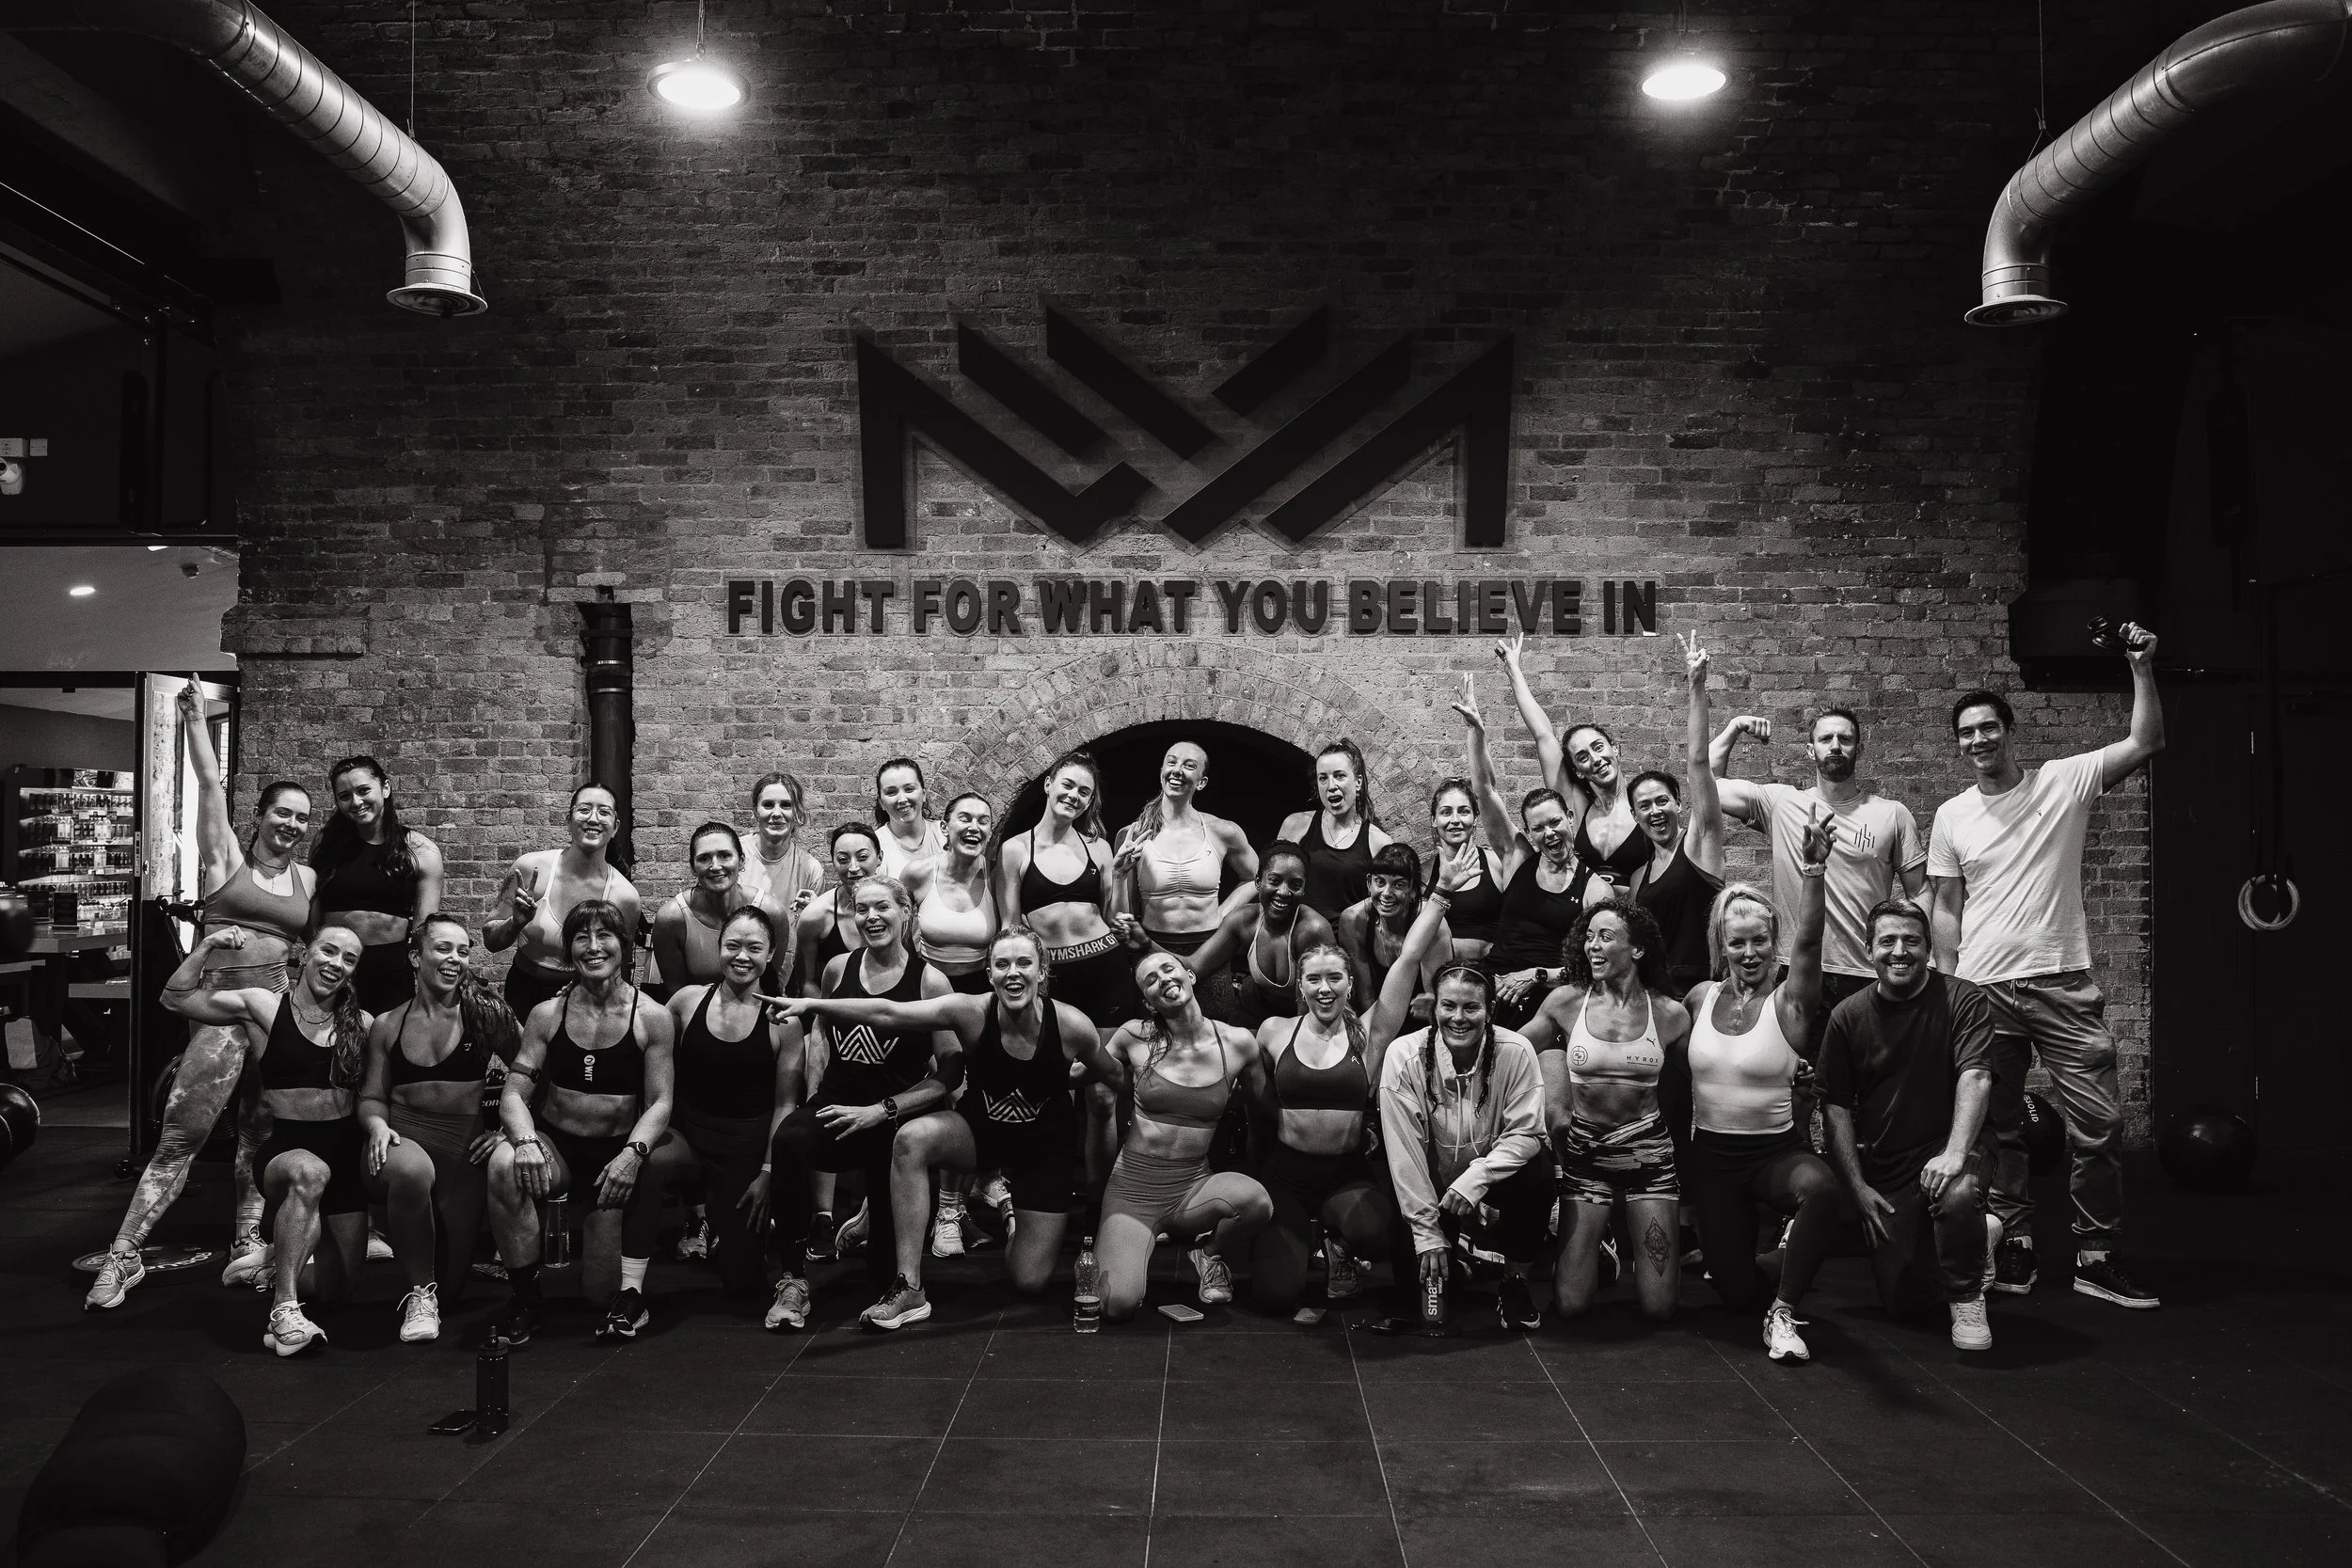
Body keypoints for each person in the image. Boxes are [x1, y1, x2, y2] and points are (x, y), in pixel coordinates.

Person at [1929, 626, 2165, 1310]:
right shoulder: (1952, 815)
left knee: (2101, 1124)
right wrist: (1951, 985)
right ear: (1959, 743)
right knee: (2000, 1129)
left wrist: (2140, 668)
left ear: (2008, 731)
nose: (1979, 741)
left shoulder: (2065, 781)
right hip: (1983, 989)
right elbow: (1946, 907)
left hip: (2062, 980)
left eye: (1988, 728)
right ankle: (2019, 1242)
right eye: (1967, 733)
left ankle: (2096, 1254)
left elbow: (2145, 742)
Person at [86, 683, 313, 1310]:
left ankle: (247, 1237)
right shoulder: (226, 863)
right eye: (282, 813)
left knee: (259, 1134)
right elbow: (210, 788)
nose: (291, 824)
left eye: (301, 817)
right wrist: (190, 722)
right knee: (181, 1138)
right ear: (260, 815)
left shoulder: (308, 877)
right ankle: (123, 1254)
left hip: (275, 1011)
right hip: (219, 1013)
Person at [773, 924, 1103, 1328]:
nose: (1012, 972)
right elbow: (888, 1011)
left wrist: (1068, 1077)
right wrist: (813, 1007)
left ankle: (1016, 1215)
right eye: (1002, 964)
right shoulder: (968, 1009)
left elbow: (1110, 1072)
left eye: (1024, 963)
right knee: (912, 1138)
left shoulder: (1071, 1024)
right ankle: (909, 1287)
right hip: (982, 1135)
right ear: (989, 973)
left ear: (1042, 971)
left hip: (1043, 1148)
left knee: (1030, 1281)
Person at [1248, 848, 1473, 1319]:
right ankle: (1282, 1243)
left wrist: (1443, 892)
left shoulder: (1368, 1034)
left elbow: (1410, 957)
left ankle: (1338, 1243)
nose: (1324, 989)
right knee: (1276, 1296)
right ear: (1301, 985)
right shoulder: (1273, 1031)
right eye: (1314, 979)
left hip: (1344, 1172)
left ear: (1350, 984)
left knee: (1379, 1232)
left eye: (1335, 978)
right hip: (1286, 1174)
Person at [1665, 828, 1843, 1365]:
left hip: (1774, 1153)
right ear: (1722, 944)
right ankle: (1785, 1257)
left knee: (1820, 1189)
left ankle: (1784, 1310)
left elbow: (1810, 943)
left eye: (1760, 941)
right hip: (1713, 1159)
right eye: (1737, 941)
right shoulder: (1699, 998)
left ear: (1773, 942)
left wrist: (1814, 872)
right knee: (1736, 1293)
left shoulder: (1790, 1002)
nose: (1749, 952)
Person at [157, 923, 371, 1356]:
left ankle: (268, 1268)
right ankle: (284, 1310)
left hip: (344, 1158)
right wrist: (207, 947)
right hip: (287, 1152)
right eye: (328, 952)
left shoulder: (361, 1024)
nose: (336, 965)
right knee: (310, 1172)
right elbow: (175, 997)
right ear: (305, 952)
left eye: (348, 959)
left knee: (338, 1292)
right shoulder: (264, 1007)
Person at [761, 876, 958, 1331]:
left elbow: (951, 1071)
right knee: (790, 1137)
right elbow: (824, 1034)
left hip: (891, 1122)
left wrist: (885, 1109)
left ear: (905, 913)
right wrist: (813, 1098)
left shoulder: (930, 981)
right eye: (861, 909)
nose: (871, 917)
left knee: (883, 1273)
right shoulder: (838, 969)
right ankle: (792, 1280)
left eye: (882, 908)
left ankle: (868, 1222)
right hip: (838, 1108)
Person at [485, 899, 678, 1345]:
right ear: (569, 949)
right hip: (558, 1148)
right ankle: (526, 1299)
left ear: (625, 947)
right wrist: (526, 1140)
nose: (593, 947)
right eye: (581, 937)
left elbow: (661, 1102)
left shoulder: (651, 1016)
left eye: (604, 935)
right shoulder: (546, 1014)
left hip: (612, 1159)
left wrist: (633, 1155)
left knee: (599, 1294)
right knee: (503, 1162)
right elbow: (514, 1093)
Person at [1820, 899, 2000, 1351]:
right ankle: (1981, 1237)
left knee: (1957, 1194)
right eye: (1888, 941)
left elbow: (1976, 1075)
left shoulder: (1963, 998)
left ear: (1928, 948)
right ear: (1868, 950)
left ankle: (1967, 1295)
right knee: (1904, 1304)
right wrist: (1858, 1188)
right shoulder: (1848, 1016)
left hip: (1954, 1146)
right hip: (1891, 1166)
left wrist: (1956, 1152)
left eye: (1912, 941)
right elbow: (1835, 1107)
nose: (1900, 951)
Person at [1523, 900, 1693, 1326]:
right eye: (1588, 936)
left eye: (1605, 937)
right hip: (1585, 1155)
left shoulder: (1670, 1015)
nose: (1592, 947)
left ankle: (1623, 1232)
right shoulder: (1565, 1003)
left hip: (1649, 1156)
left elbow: (1707, 1075)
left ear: (1637, 950)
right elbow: (1511, 1050)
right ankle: (1601, 1246)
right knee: (1572, 1306)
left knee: (1659, 1309)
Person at [1089, 948, 1273, 1321]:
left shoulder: (1238, 1043)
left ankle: (1208, 1253)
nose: (1163, 980)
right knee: (1116, 1304)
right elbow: (1089, 1075)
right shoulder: (1133, 1036)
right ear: (1148, 1002)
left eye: (1168, 969)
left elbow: (1261, 1111)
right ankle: (1131, 1244)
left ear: (1190, 975)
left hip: (1192, 1187)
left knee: (1258, 1202)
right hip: (1134, 1189)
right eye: (1150, 980)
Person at [356, 914, 516, 1340]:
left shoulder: (485, 1013)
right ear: (415, 956)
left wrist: (508, 1130)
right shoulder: (389, 1024)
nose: (455, 959)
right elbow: (372, 1095)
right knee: (411, 1171)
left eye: (463, 951)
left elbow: (535, 1068)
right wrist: (375, 1125)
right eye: (444, 948)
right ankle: (418, 1295)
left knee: (455, 1289)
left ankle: (434, 1288)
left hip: (462, 1152)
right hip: (401, 1141)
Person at [1710, 703, 1925, 1019]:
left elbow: (1919, 892)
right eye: (1826, 739)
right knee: (1801, 1068)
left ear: (1859, 749)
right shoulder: (1781, 803)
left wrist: (1925, 960)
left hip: (1869, 972)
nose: (1835, 746)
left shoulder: (1892, 814)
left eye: (1845, 739)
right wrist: (1735, 726)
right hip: (1797, 972)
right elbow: (1707, 784)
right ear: (1811, 751)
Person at [1379, 952, 1549, 1331]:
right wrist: (1426, 1231)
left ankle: (1514, 1281)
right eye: (1448, 1006)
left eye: (1471, 1007)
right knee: (1418, 1293)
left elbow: (1528, 1132)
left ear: (1489, 1010)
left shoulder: (1516, 1050)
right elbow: (1404, 1153)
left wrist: (1478, 1177)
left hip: (1487, 1178)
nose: (1459, 1017)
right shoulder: (1403, 1056)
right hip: (1430, 1179)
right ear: (1434, 1007)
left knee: (1538, 1173)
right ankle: (1465, 1256)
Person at [999, 750, 1133, 1212]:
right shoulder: (1017, 849)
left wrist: (1124, 873)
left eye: (1084, 792)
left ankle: (1103, 1200)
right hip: (1053, 978)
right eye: (1068, 785)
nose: (1074, 796)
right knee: (1047, 1090)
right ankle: (1039, 1197)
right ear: (1048, 784)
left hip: (1106, 970)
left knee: (1102, 1094)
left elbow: (1113, 915)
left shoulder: (1098, 847)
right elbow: (1011, 928)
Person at [650, 907, 803, 1301]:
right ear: (718, 949)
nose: (742, 956)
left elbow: (786, 1104)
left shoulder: (784, 1020)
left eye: (755, 948)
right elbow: (642, 1033)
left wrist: (767, 1171)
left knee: (741, 1282)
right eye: (732, 945)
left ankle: (727, 1225)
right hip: (688, 1136)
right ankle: (681, 1229)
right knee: (648, 1163)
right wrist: (579, 989)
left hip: (743, 1147)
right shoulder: (686, 1001)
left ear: (771, 955)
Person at [1453, 673, 1596, 1029]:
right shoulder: (1518, 860)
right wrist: (1477, 732)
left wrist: (1538, 975)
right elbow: (1484, 791)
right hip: (1495, 986)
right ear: (1529, 834)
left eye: (1554, 823)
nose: (1548, 833)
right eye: (1538, 828)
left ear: (1571, 819)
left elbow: (1596, 965)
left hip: (1550, 994)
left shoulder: (1593, 888)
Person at [1495, 634, 1648, 894]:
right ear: (1577, 769)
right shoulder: (1577, 807)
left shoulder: (1644, 804)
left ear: (1615, 749)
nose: (1596, 759)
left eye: (1598, 747)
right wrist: (1514, 670)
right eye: (1583, 757)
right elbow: (1542, 734)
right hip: (1584, 921)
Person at [486, 783, 643, 1025]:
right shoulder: (530, 868)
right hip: (524, 991)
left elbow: (619, 967)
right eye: (584, 810)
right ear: (569, 820)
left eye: (604, 812)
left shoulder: (625, 897)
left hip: (586, 998)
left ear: (615, 827)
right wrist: (514, 923)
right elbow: (490, 941)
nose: (593, 818)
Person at [1629, 635, 1731, 996]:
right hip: (1651, 995)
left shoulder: (1700, 843)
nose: (1655, 811)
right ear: (1635, 816)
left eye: (1662, 801)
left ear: (1679, 804)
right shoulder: (1639, 876)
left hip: (1701, 989)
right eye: (1644, 806)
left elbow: (1698, 762)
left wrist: (1696, 684)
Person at [1112, 740, 1259, 979]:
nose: (1177, 770)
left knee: (1216, 1016)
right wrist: (1118, 875)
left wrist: (1223, 914)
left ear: (1202, 782)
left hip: (1210, 947)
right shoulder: (1133, 835)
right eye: (1171, 762)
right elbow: (1122, 918)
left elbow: (1255, 876)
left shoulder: (1222, 831)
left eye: (1189, 765)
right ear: (1162, 773)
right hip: (1153, 947)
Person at [311, 755, 444, 1016]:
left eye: (363, 791)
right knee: (326, 1047)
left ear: (385, 788)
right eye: (345, 796)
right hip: (333, 963)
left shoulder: (421, 851)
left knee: (384, 1048)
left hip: (390, 970)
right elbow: (313, 910)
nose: (356, 802)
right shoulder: (325, 843)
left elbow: (423, 929)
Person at [1181, 842, 1338, 1031]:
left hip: (1302, 1020)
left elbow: (1311, 1013)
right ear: (1258, 882)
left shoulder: (1312, 930)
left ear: (1304, 889)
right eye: (1274, 881)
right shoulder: (1243, 921)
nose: (1283, 892)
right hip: (1253, 1013)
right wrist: (1144, 944)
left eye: (1295, 885)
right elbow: (1193, 967)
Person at [1276, 738, 1394, 921]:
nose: (1331, 786)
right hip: (1298, 938)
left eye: (1339, 776)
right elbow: (1274, 884)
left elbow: (1388, 908)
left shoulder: (1379, 842)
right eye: (1323, 778)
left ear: (1358, 782)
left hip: (1347, 944)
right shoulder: (1296, 824)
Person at [1333, 843, 1451, 1023]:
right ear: (1368, 883)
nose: (1386, 893)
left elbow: (1433, 1000)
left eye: (1399, 885)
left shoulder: (1431, 923)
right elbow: (1366, 996)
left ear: (1413, 890)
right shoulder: (1353, 920)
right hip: (1379, 1015)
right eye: (1379, 882)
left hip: (1424, 1020)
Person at [651, 822, 758, 999]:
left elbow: (771, 982)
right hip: (694, 1015)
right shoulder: (672, 919)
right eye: (704, 858)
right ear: (693, 867)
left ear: (741, 860)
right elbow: (677, 994)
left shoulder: (770, 911)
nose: (715, 866)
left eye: (724, 856)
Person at [906, 793, 999, 995]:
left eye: (983, 822)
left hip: (982, 989)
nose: (974, 827)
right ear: (944, 828)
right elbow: (898, 928)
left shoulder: (997, 876)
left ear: (989, 832)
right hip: (928, 986)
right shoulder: (917, 873)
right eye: (965, 819)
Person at [737, 771, 825, 959]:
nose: (776, 813)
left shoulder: (810, 868)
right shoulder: (734, 855)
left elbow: (813, 938)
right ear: (755, 811)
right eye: (768, 805)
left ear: (797, 812)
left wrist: (815, 913)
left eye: (786, 805)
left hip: (785, 968)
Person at [1424, 776, 1508, 969]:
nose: (1455, 820)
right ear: (1434, 821)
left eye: (1464, 811)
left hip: (1493, 974)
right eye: (1446, 812)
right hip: (1440, 979)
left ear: (1475, 818)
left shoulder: (1497, 865)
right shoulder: (1422, 874)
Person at [796, 823, 882, 998]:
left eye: (862, 857)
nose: (853, 868)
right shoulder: (816, 915)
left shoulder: (899, 906)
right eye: (843, 859)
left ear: (879, 857)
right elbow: (807, 983)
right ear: (833, 862)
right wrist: (827, 1020)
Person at [874, 757, 946, 880]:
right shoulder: (874, 844)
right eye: (891, 792)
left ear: (923, 794)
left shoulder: (945, 835)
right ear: (881, 802)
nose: (902, 799)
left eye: (909, 789)